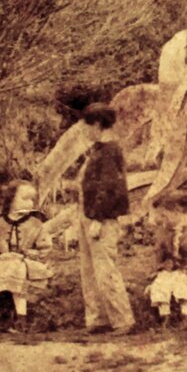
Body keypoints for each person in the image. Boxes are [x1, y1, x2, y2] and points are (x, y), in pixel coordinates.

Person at [48, 103, 136, 335]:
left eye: (86, 125)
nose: (84, 131)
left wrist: (98, 218)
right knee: (89, 270)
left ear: (97, 125)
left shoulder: (109, 151)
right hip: (88, 215)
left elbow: (111, 188)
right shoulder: (98, 150)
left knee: (105, 269)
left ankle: (123, 320)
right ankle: (98, 320)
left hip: (101, 218)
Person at [0, 180, 53, 332]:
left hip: (23, 261)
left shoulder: (35, 224)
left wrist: (31, 254)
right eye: (24, 198)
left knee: (17, 272)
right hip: (0, 261)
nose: (29, 203)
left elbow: (45, 246)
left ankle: (21, 318)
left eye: (32, 200)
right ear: (11, 199)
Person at [146, 192, 187, 325]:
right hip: (169, 268)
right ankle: (165, 316)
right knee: (160, 284)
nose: (162, 220)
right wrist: (157, 271)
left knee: (181, 284)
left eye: (165, 216)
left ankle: (186, 316)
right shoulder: (164, 232)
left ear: (177, 212)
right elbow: (158, 253)